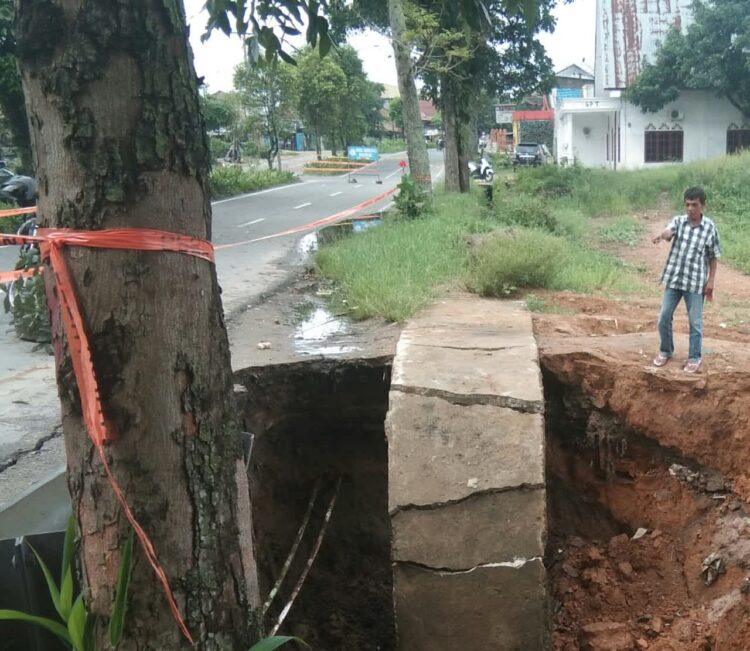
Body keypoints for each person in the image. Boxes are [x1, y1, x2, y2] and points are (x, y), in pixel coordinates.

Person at [652, 186, 720, 373]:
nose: (690, 209)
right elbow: (669, 231)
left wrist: (711, 282)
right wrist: (663, 234)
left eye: (694, 205)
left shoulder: (709, 228)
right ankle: (666, 351)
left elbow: (713, 257)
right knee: (663, 317)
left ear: (702, 205)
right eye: (687, 205)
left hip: (695, 283)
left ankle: (694, 357)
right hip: (674, 280)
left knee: (695, 322)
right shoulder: (679, 221)